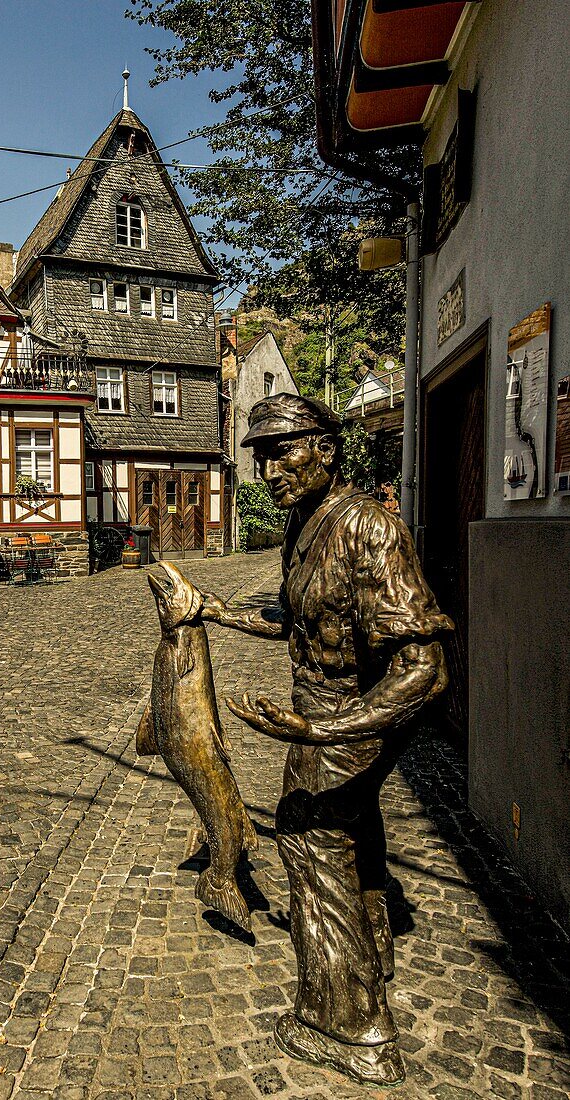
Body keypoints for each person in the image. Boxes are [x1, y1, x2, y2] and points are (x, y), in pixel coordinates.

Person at [201, 393, 453, 1086]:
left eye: (282, 450)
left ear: (326, 448)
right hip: (326, 714)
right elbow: (298, 621)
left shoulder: (368, 527)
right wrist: (215, 611)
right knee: (351, 837)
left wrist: (320, 729)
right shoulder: (304, 523)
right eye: (260, 456)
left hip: (349, 717)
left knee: (308, 843)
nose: (270, 469)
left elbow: (424, 670)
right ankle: (371, 961)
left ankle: (350, 1027)